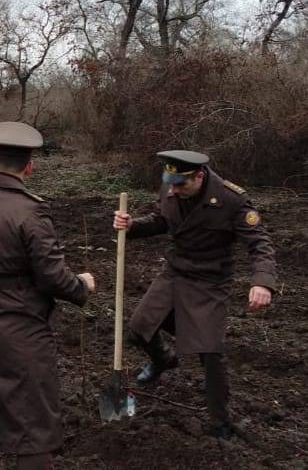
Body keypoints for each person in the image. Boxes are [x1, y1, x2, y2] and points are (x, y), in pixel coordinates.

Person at [0, 122, 95, 469]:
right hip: (25, 334)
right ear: (29, 166)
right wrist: (81, 286)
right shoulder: (32, 211)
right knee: (33, 428)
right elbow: (52, 276)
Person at [113, 150, 277, 439]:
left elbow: (259, 243)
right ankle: (164, 360)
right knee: (139, 328)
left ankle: (220, 422)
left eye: (181, 184)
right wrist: (132, 226)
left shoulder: (231, 199)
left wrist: (262, 282)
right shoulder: (171, 186)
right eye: (171, 184)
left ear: (199, 176)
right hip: (176, 272)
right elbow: (162, 219)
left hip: (210, 281)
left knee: (209, 353)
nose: (174, 190)